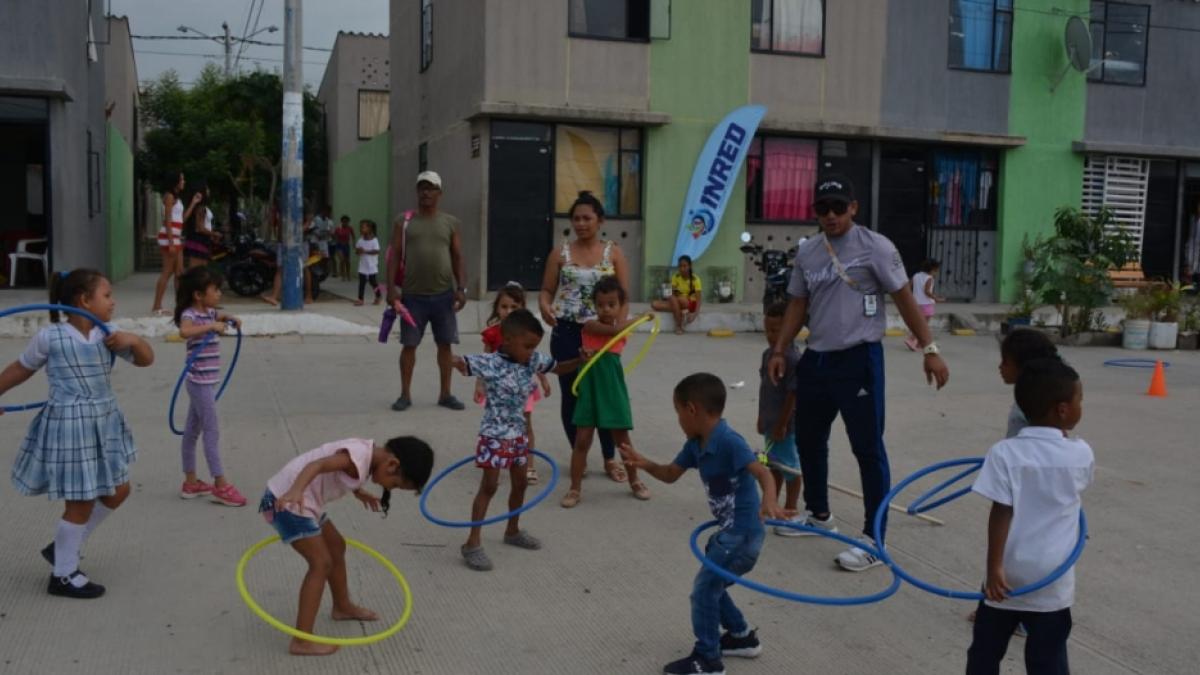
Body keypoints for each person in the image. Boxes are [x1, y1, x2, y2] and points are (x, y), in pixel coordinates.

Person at [767, 174, 950, 572]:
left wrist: (930, 349)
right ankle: (818, 515)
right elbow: (797, 304)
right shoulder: (810, 252)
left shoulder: (876, 248)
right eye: (822, 209)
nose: (830, 216)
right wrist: (781, 349)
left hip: (859, 360)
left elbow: (904, 300)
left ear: (853, 207)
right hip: (817, 359)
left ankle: (874, 539)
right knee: (811, 441)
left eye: (837, 207)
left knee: (868, 448)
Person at [618, 373, 786, 675]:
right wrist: (644, 463)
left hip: (743, 536)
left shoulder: (729, 441)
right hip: (727, 535)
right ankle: (741, 636)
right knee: (713, 586)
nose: (678, 419)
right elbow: (670, 474)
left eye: (678, 412)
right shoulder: (696, 444)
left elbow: (763, 473)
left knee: (704, 592)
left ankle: (708, 659)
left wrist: (769, 501)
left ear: (692, 409)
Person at [0, 269, 154, 598]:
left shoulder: (108, 335)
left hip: (104, 422)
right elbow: (19, 369)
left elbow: (146, 361)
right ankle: (64, 574)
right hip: (71, 427)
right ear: (84, 300)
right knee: (81, 502)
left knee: (119, 490)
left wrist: (136, 340)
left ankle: (63, 548)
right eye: (107, 295)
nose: (113, 302)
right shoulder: (50, 337)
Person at [966, 358, 1093, 674]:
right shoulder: (1080, 454)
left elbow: (1001, 511)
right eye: (1080, 400)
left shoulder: (1004, 452)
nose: (1082, 406)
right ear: (1062, 410)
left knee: (984, 652)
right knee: (1048, 657)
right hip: (1052, 576)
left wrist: (993, 568)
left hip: (1006, 575)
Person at [260, 436, 434, 655]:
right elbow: (318, 464)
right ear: (392, 465)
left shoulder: (367, 457)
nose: (390, 488)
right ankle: (302, 640)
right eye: (396, 485)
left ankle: (342, 607)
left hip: (305, 502)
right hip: (286, 501)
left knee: (336, 547)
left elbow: (339, 473)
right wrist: (295, 491)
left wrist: (358, 491)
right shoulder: (357, 458)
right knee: (320, 563)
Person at [451, 309, 585, 571]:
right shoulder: (490, 362)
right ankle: (472, 543)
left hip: (518, 435)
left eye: (534, 346)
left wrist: (579, 360)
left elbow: (558, 368)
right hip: (493, 434)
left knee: (520, 483)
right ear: (507, 340)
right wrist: (448, 355)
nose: (531, 351)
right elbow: (459, 363)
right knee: (489, 487)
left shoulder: (533, 360)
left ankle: (512, 531)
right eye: (527, 346)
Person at [538, 191, 631, 484]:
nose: (581, 223)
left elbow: (625, 297)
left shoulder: (613, 253)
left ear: (599, 220)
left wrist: (619, 327)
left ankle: (609, 458)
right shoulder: (560, 253)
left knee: (604, 395)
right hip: (567, 331)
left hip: (603, 334)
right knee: (573, 395)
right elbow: (546, 291)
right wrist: (544, 308)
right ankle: (578, 454)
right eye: (576, 218)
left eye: (587, 218)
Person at [560, 277, 652, 508]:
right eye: (601, 304)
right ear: (595, 306)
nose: (606, 309)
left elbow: (619, 331)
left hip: (611, 388)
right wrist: (641, 317)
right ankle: (574, 488)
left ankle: (635, 481)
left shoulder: (621, 331)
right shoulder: (590, 326)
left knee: (622, 440)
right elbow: (615, 331)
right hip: (590, 387)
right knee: (582, 439)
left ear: (621, 306)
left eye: (612, 304)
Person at [385, 171, 468, 412]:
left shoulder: (450, 223)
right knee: (409, 345)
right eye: (422, 187)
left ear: (439, 193)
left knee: (445, 345)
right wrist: (391, 289)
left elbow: (457, 257)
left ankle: (445, 394)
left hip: (444, 296)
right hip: (412, 297)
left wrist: (461, 288)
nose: (426, 192)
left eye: (431, 188)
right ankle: (405, 395)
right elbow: (394, 258)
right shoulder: (404, 222)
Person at [173, 266, 246, 507]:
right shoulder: (191, 315)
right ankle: (221, 484)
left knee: (192, 432)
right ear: (198, 295)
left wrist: (230, 318)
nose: (219, 294)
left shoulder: (211, 312)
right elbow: (184, 331)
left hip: (206, 383)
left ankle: (191, 482)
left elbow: (219, 317)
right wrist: (211, 327)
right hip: (199, 383)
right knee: (212, 432)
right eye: (215, 290)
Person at [475, 282, 551, 484]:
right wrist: (479, 385)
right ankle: (499, 460)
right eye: (504, 307)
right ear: (497, 308)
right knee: (498, 425)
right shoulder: (492, 334)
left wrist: (544, 380)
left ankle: (529, 465)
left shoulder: (525, 333)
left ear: (522, 310)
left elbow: (535, 359)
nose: (508, 311)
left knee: (525, 425)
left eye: (514, 307)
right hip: (498, 392)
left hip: (522, 388)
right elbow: (483, 361)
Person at [758, 301, 802, 536]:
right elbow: (764, 386)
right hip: (770, 422)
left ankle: (791, 508)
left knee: (790, 468)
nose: (770, 335)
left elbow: (793, 395)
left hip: (786, 426)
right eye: (767, 330)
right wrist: (761, 416)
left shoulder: (793, 358)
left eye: (775, 330)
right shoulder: (768, 355)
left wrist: (783, 423)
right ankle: (773, 503)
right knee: (772, 464)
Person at [152, 172, 200, 315]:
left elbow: (182, 219)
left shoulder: (177, 199)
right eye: (182, 179)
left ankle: (181, 304)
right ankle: (156, 305)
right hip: (169, 237)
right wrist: (172, 243)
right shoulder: (169, 196)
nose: (183, 181)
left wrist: (193, 203)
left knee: (179, 273)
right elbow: (167, 220)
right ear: (176, 182)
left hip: (175, 237)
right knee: (167, 272)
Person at [652, 255, 703, 334]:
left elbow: (699, 300)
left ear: (689, 266)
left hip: (689, 303)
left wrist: (694, 315)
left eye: (684, 266)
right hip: (677, 302)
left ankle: (679, 325)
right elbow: (671, 293)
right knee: (654, 304)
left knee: (676, 299)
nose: (682, 269)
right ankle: (681, 312)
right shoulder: (675, 277)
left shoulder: (695, 279)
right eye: (680, 266)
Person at [906, 259, 946, 351]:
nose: (936, 273)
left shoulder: (916, 275)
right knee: (923, 325)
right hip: (926, 304)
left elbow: (908, 286)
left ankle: (920, 344)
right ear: (932, 270)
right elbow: (927, 291)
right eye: (936, 271)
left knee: (919, 323)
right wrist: (937, 298)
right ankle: (911, 340)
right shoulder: (929, 278)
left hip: (916, 303)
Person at [182, 182, 218, 270]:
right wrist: (214, 234)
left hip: (199, 240)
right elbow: (200, 228)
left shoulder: (201, 207)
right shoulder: (200, 208)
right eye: (207, 189)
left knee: (199, 271)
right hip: (199, 240)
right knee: (197, 271)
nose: (209, 191)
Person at [355, 219, 382, 306]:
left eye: (363, 227)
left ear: (370, 228)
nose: (361, 229)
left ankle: (378, 295)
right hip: (363, 265)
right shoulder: (360, 240)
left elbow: (377, 251)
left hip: (372, 265)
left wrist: (365, 251)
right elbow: (357, 251)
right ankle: (360, 299)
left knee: (373, 282)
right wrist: (358, 251)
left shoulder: (374, 240)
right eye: (361, 227)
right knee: (362, 282)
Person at [332, 215, 354, 281]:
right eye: (344, 222)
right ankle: (343, 275)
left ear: (348, 222)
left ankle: (348, 274)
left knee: (347, 261)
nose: (345, 223)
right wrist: (335, 239)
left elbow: (353, 236)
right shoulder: (338, 229)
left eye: (346, 222)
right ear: (341, 222)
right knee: (342, 260)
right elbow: (334, 236)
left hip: (346, 245)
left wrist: (354, 243)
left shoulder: (350, 228)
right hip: (339, 246)